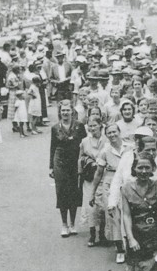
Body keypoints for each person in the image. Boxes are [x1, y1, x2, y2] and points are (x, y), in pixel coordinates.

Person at [50, 99, 86, 237]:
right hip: (60, 162)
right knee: (61, 192)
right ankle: (64, 224)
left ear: (72, 111)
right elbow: (52, 147)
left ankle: (72, 224)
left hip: (75, 162)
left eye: (68, 110)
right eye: (63, 110)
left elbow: (85, 144)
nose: (65, 112)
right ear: (60, 112)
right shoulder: (55, 128)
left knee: (74, 192)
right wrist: (51, 167)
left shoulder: (79, 126)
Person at [91, 121, 126, 261]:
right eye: (109, 133)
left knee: (127, 213)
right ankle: (120, 249)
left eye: (114, 132)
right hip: (110, 182)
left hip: (125, 181)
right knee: (113, 216)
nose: (112, 135)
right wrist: (93, 192)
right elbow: (99, 173)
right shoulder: (105, 151)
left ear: (119, 132)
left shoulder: (129, 148)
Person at [78, 116, 105, 245]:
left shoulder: (106, 140)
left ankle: (103, 233)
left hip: (104, 175)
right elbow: (80, 158)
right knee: (91, 205)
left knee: (103, 204)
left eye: (94, 125)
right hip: (89, 176)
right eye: (90, 126)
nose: (92, 128)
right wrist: (81, 173)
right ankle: (92, 234)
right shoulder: (84, 141)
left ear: (100, 125)